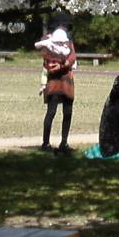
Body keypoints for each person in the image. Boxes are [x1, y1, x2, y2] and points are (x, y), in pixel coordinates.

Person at [36, 15, 77, 152]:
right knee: (51, 112)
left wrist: (64, 64)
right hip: (53, 82)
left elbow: (72, 57)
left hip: (67, 81)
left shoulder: (68, 41)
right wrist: (62, 63)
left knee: (68, 112)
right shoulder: (47, 41)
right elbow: (48, 57)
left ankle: (64, 142)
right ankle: (45, 142)